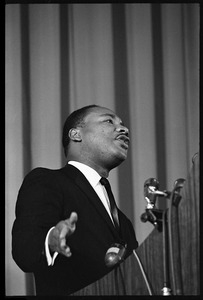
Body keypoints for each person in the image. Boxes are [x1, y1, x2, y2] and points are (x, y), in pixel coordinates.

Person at [12, 104, 138, 295]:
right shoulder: (47, 181)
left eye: (122, 124)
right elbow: (25, 251)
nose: (124, 129)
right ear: (76, 134)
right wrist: (51, 240)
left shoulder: (124, 222)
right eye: (108, 121)